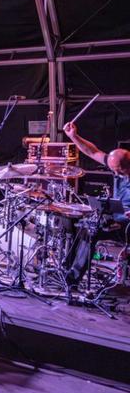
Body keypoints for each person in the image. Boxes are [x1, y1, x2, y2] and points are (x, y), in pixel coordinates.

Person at [61, 122, 130, 286]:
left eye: (120, 171)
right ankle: (67, 269)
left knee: (93, 231)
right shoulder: (115, 165)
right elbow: (92, 151)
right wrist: (73, 136)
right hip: (116, 217)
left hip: (127, 224)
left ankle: (72, 279)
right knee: (84, 225)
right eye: (113, 170)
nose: (115, 173)